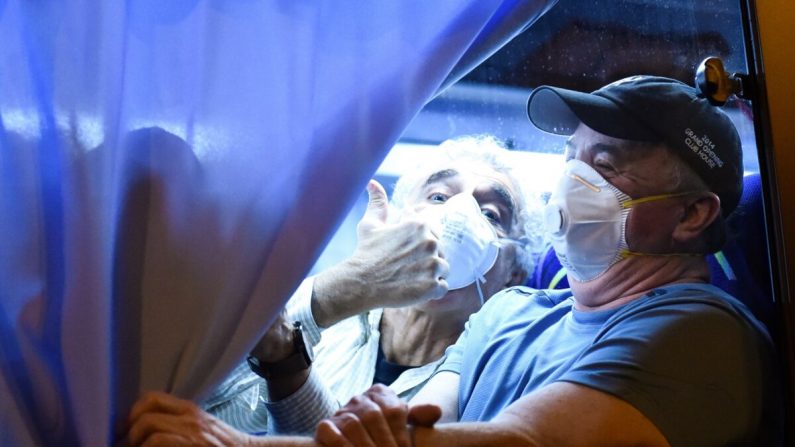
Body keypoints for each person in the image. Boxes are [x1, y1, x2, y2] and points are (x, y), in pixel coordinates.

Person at [307, 76, 781, 446]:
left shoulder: (702, 334)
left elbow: (524, 440)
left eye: (605, 165)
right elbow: (411, 429)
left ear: (692, 214)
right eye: (571, 156)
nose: (574, 180)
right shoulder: (507, 311)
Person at [124, 136, 545, 444]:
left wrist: (288, 364)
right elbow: (201, 397)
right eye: (438, 196)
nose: (459, 216)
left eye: (490, 214)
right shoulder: (332, 317)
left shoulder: (491, 383)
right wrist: (351, 287)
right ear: (394, 223)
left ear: (513, 274)